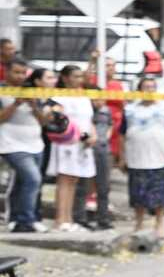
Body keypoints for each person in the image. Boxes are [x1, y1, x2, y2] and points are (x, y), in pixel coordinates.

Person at [120, 77, 164, 234]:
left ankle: (159, 223)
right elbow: (122, 134)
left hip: (161, 158)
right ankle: (139, 223)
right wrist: (122, 156)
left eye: (152, 87)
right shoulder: (130, 110)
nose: (149, 90)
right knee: (137, 193)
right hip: (137, 158)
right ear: (140, 91)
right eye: (146, 87)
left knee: (160, 193)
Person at [0, 57, 51, 233]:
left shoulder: (33, 91)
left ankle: (15, 218)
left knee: (23, 182)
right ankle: (27, 220)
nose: (21, 76)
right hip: (10, 144)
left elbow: (44, 122)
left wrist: (34, 105)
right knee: (33, 179)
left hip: (36, 144)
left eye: (24, 73)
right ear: (6, 71)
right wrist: (16, 103)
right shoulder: (2, 90)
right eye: (17, 72)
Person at [48, 65, 97, 232]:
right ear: (65, 78)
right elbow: (58, 118)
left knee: (74, 180)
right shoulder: (60, 97)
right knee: (64, 180)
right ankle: (59, 219)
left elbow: (89, 119)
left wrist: (92, 135)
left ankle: (69, 218)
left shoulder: (84, 96)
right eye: (75, 76)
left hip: (82, 144)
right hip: (66, 142)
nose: (79, 80)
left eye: (80, 77)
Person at [73, 93, 115, 231]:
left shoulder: (106, 111)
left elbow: (111, 125)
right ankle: (80, 218)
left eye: (102, 98)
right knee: (83, 186)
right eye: (96, 99)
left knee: (103, 186)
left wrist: (105, 139)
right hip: (86, 149)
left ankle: (103, 218)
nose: (99, 102)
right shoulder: (84, 111)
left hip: (103, 150)